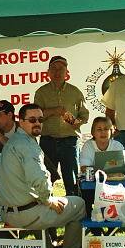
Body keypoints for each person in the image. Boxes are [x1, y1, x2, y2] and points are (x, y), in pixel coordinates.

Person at [0, 103, 86, 248]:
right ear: (20, 121)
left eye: (40, 119)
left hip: (7, 213)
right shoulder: (28, 145)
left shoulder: (14, 141)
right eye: (32, 120)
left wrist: (43, 199)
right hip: (26, 215)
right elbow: (38, 179)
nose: (37, 123)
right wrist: (48, 200)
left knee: (36, 200)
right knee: (79, 204)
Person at [34, 55, 89, 196]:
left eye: (61, 69)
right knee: (46, 179)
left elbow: (84, 115)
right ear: (48, 72)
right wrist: (54, 111)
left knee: (72, 181)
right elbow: (36, 117)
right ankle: (47, 206)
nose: (57, 72)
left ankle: (74, 206)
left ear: (66, 72)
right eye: (53, 69)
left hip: (69, 142)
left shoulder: (75, 92)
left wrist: (77, 122)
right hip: (48, 141)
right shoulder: (41, 92)